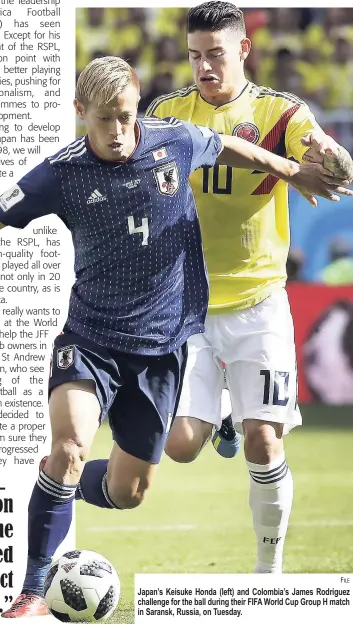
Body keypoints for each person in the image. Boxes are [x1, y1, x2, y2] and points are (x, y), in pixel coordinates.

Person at [0, 56, 350, 618]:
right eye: (104, 121)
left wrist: (293, 172)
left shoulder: (174, 140)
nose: (118, 132)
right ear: (80, 114)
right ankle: (31, 590)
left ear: (136, 107)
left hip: (161, 350)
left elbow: (236, 149)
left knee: (128, 492)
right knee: (69, 449)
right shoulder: (60, 173)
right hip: (90, 338)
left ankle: (56, 488)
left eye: (125, 117)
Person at [146, 1, 353, 574]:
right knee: (181, 445)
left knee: (265, 442)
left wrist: (333, 159)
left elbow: (338, 166)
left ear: (243, 49)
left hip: (259, 301)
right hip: (188, 308)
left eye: (215, 54)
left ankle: (269, 573)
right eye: (194, 57)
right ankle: (227, 417)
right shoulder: (167, 112)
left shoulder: (279, 112)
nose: (204, 67)